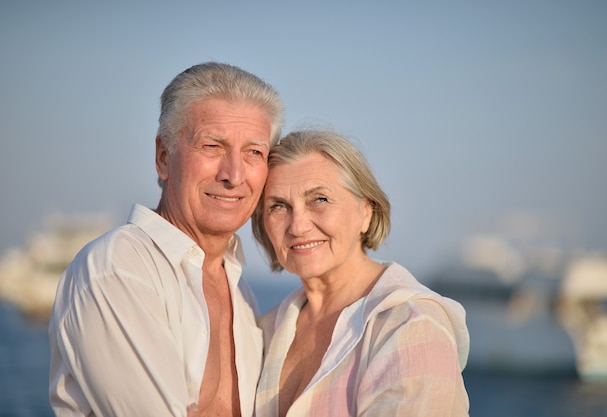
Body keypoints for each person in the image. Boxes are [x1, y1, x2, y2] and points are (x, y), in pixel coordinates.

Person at [48, 61, 284, 417]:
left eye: (254, 152)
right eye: (212, 146)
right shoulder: (118, 269)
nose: (234, 175)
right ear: (163, 158)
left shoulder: (242, 294)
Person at [251, 129, 470, 416]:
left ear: (365, 212)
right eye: (278, 206)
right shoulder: (266, 328)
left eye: (320, 200)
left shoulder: (410, 324)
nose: (298, 226)